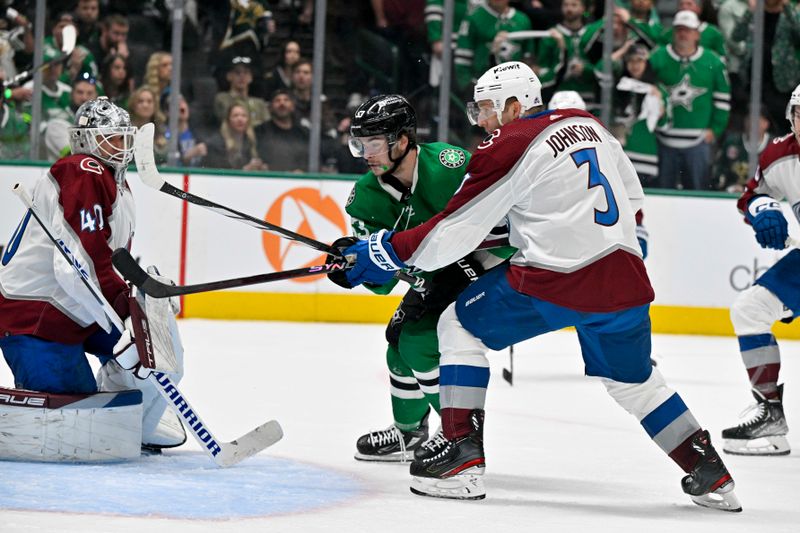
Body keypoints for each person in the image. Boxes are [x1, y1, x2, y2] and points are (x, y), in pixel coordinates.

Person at [333, 61, 741, 511]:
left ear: (515, 104)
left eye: (487, 109)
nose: (483, 121)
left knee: (455, 326)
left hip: (554, 280)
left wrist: (381, 251)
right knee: (636, 382)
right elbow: (634, 199)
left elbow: (451, 231)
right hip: (625, 279)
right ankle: (710, 472)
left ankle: (461, 461)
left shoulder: (509, 144)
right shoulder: (590, 126)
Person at [326, 94, 511, 462]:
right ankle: (409, 435)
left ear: (403, 140)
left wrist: (483, 262)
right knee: (397, 342)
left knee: (418, 342)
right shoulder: (364, 198)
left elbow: (502, 218)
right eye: (359, 143)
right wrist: (356, 268)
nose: (365, 153)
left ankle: (460, 438)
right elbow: (383, 282)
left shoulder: (448, 165)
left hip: (489, 267)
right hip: (438, 278)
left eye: (374, 143)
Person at [0, 97, 185, 454]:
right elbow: (78, 262)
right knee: (78, 419)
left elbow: (107, 260)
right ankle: (113, 411)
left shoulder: (114, 181)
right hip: (37, 317)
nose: (122, 146)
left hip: (80, 307)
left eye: (123, 137)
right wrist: (124, 307)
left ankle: (139, 422)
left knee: (155, 348)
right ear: (86, 138)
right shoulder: (83, 169)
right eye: (112, 138)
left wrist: (139, 299)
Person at [720, 84, 800, 456]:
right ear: (791, 116)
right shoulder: (779, 156)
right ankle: (770, 413)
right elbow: (751, 195)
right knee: (750, 309)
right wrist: (763, 210)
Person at [649, 10, 730, 190]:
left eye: (688, 30)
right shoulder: (658, 57)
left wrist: (714, 130)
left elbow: (723, 99)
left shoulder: (713, 61)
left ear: (697, 33)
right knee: (663, 193)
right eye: (679, 29)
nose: (683, 34)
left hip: (698, 140)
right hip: (663, 139)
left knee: (697, 191)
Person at [205, 102, 265, 170]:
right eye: (235, 116)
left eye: (244, 116)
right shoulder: (216, 143)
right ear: (228, 120)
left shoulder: (251, 141)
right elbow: (218, 172)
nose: (240, 119)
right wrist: (244, 170)